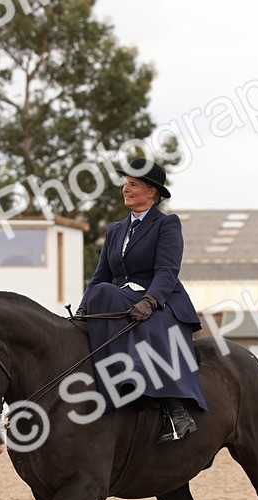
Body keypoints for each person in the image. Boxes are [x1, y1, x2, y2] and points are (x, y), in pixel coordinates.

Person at [77, 158, 206, 443]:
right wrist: (84, 307)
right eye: (125, 183)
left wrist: (149, 302)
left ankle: (177, 410)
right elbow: (100, 277)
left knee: (111, 297)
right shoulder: (114, 230)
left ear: (151, 192)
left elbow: (167, 271)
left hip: (161, 299)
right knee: (102, 294)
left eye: (133, 184)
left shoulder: (167, 225)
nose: (126, 189)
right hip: (122, 298)